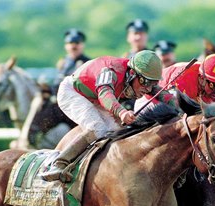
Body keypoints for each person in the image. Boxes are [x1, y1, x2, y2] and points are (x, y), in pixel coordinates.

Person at [40, 50, 177, 182]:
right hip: (73, 92)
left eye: (152, 83)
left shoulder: (139, 77)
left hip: (94, 97)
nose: (147, 88)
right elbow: (105, 95)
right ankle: (59, 163)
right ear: (131, 73)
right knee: (97, 128)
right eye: (145, 82)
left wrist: (180, 107)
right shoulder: (110, 70)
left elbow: (163, 95)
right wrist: (122, 112)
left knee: (120, 133)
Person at [136, 53, 215, 113]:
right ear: (201, 78)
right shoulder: (183, 79)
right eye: (213, 85)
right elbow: (176, 111)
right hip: (153, 100)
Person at [53, 28, 91, 93]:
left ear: (82, 45)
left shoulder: (88, 63)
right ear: (66, 46)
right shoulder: (62, 63)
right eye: (70, 43)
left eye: (77, 43)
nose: (73, 46)